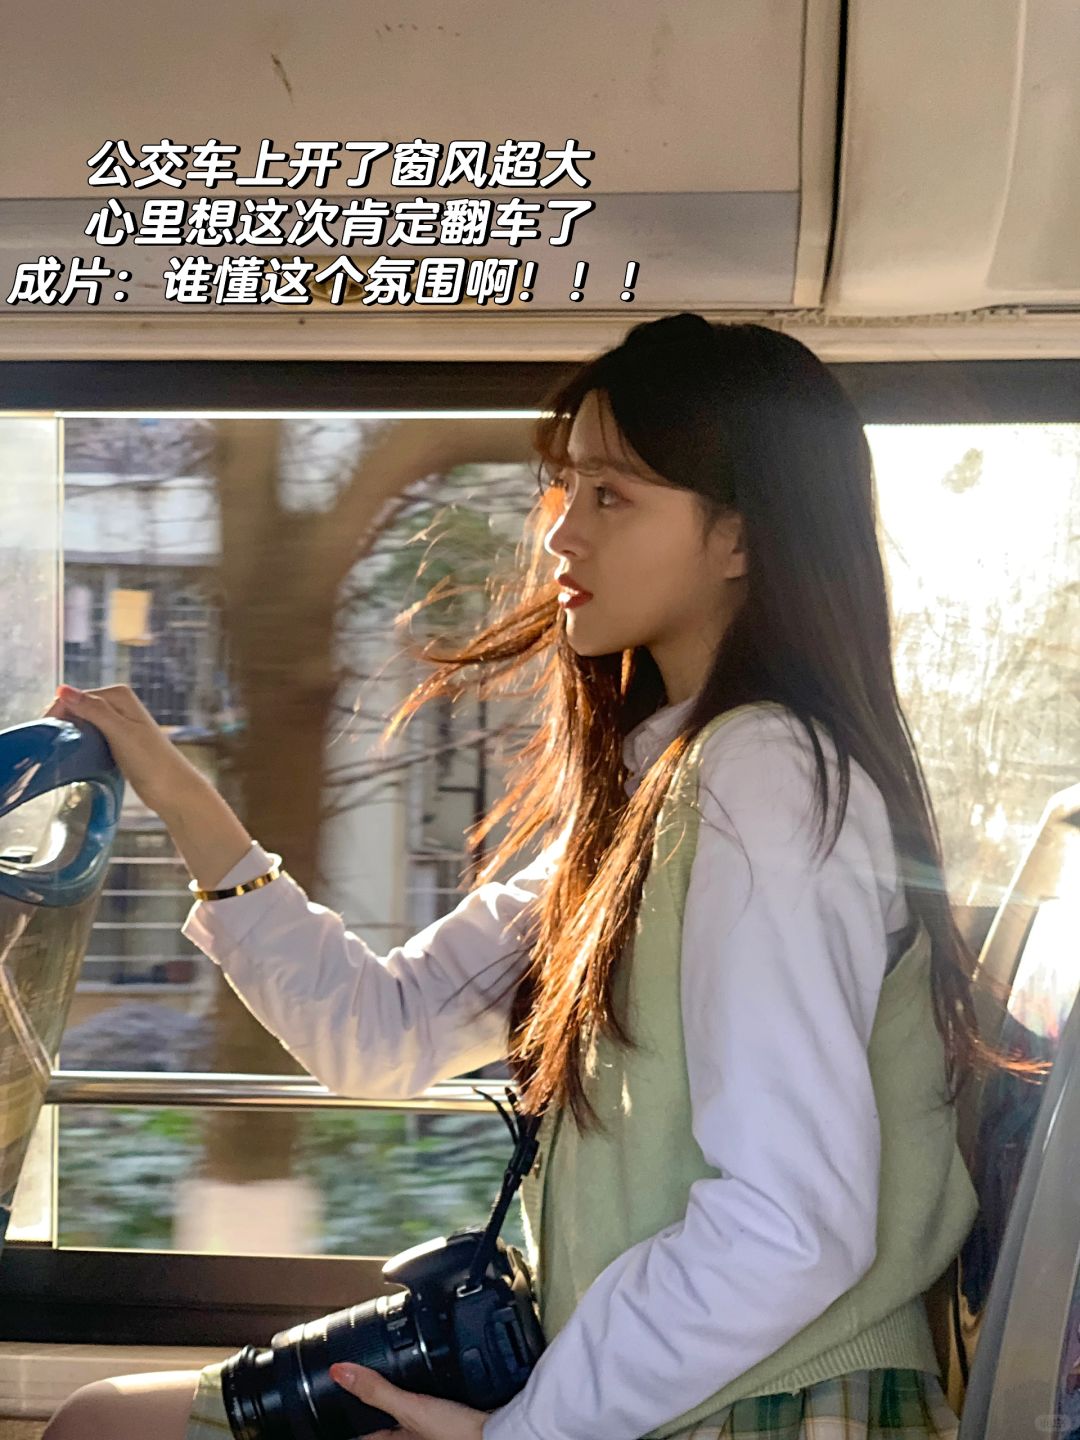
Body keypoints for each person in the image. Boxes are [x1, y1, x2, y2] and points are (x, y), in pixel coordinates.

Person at [40, 313, 1036, 1440]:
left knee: (103, 1428)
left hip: (769, 1407)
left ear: (741, 538)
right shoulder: (658, 796)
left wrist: (530, 1431)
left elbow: (790, 1224)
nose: (560, 532)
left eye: (611, 496)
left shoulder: (765, 778)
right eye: (566, 488)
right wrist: (182, 796)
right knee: (104, 1422)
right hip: (657, 1396)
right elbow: (382, 1030)